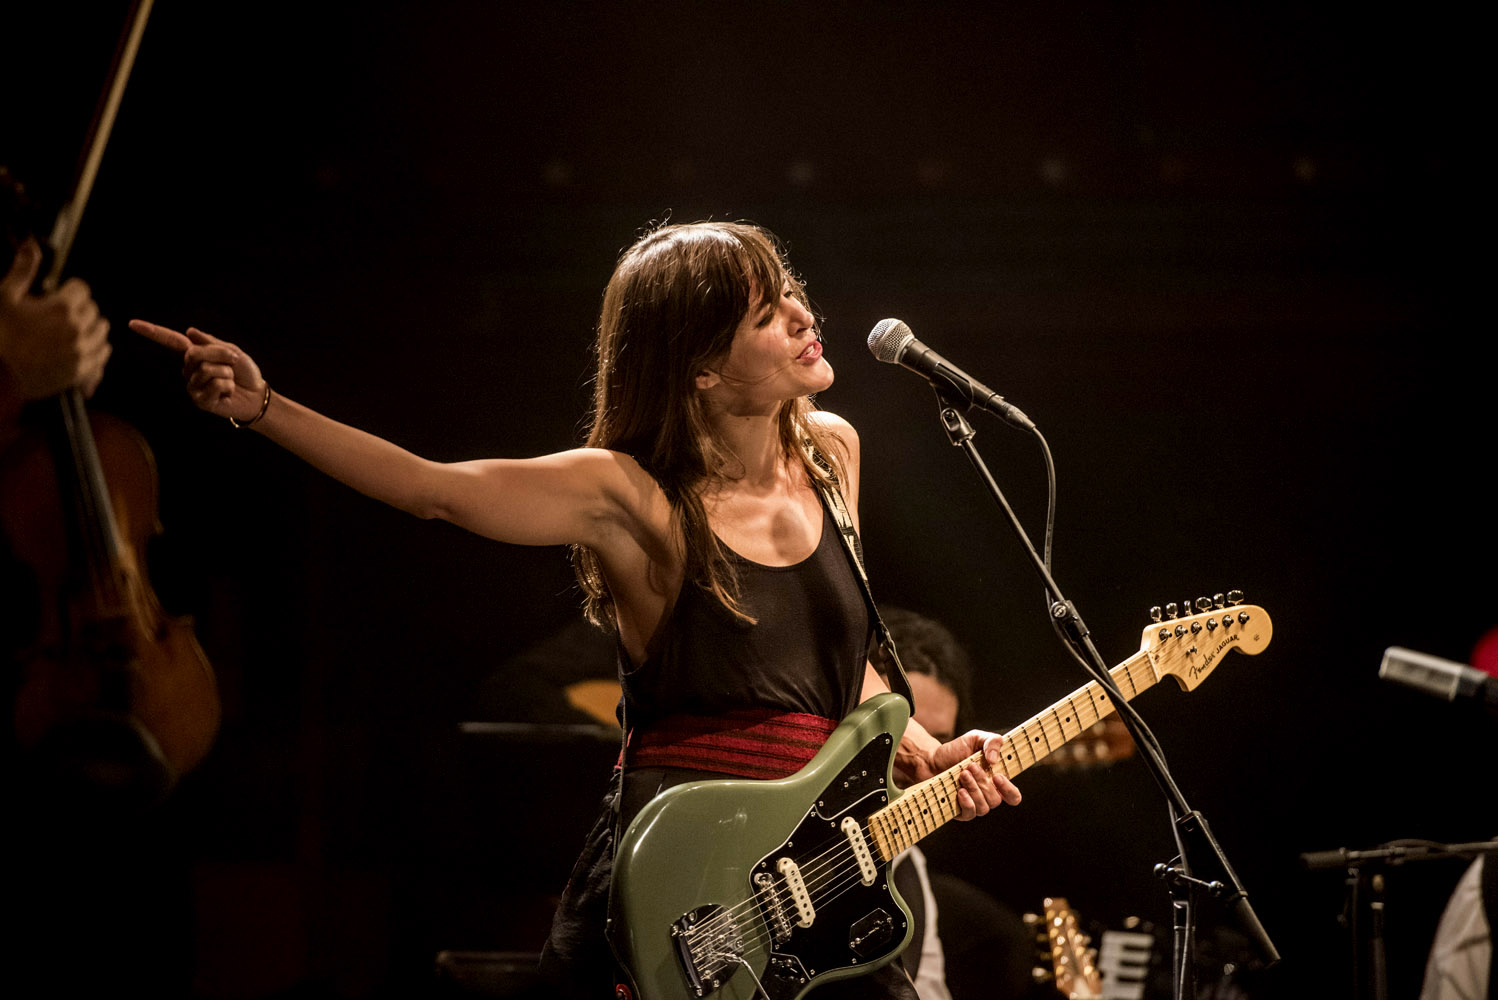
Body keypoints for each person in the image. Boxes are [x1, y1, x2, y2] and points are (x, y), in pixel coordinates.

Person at [131, 220, 1023, 998]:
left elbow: (839, 663)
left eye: (791, 292)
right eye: (765, 313)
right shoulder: (631, 495)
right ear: (702, 368)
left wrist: (922, 746)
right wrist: (263, 407)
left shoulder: (833, 452)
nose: (801, 315)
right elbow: (432, 490)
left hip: (818, 880)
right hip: (690, 882)